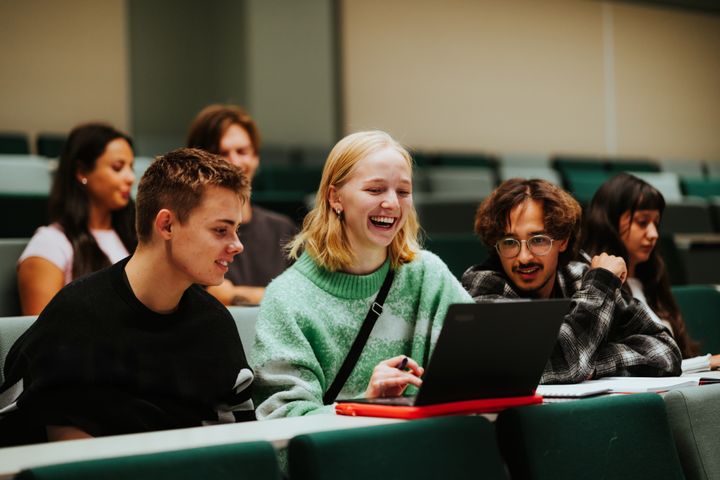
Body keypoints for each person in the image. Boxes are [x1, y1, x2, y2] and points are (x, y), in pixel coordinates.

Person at [0, 148, 255, 446]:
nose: (237, 245)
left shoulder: (214, 324)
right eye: (221, 230)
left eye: (236, 230)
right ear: (167, 225)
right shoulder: (76, 320)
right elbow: (70, 465)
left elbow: (239, 441)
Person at [251, 131, 472, 419]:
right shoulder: (288, 299)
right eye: (375, 190)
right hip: (345, 458)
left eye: (403, 192)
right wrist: (365, 403)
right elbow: (281, 421)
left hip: (425, 449)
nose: (392, 203)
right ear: (335, 198)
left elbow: (483, 369)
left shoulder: (429, 275)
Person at [462, 178, 681, 384]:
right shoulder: (483, 285)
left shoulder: (579, 277)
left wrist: (593, 364)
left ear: (563, 240)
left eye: (538, 240)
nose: (524, 257)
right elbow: (559, 363)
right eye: (509, 242)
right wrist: (601, 286)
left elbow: (666, 351)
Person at [582, 172, 719, 371]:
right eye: (642, 222)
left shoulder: (652, 277)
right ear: (610, 222)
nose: (653, 234)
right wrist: (706, 363)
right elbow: (637, 366)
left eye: (656, 223)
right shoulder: (594, 284)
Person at [17, 123, 137, 315]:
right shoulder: (50, 243)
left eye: (131, 167)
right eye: (117, 167)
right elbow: (40, 337)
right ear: (82, 172)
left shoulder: (134, 234)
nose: (130, 177)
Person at [187, 104, 297, 305]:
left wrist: (233, 294)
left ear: (256, 157)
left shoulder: (282, 229)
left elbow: (305, 296)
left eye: (242, 151)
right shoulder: (189, 232)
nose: (234, 162)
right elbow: (211, 297)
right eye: (221, 153)